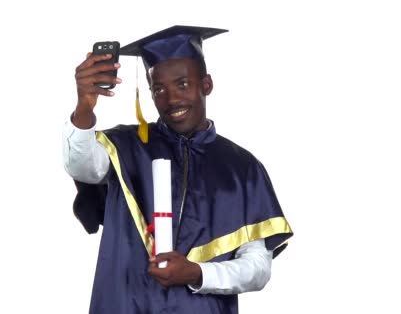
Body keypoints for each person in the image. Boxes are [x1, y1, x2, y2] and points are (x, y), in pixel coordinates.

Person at [63, 25, 293, 314]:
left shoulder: (242, 168)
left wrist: (197, 273)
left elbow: (257, 269)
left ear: (206, 84)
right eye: (159, 89)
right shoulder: (126, 147)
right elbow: (82, 166)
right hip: (125, 305)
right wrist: (84, 107)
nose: (171, 100)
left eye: (183, 84)